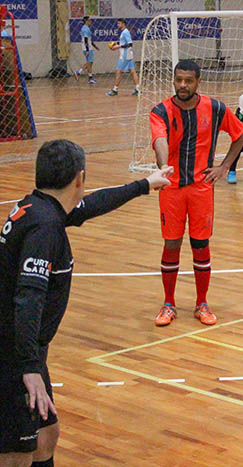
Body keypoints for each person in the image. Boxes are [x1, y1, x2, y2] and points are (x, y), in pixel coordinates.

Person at [0, 140, 171, 467]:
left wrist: (145, 185)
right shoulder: (45, 228)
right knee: (15, 455)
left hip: (25, 351)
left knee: (46, 435)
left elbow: (91, 205)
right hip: (13, 358)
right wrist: (30, 369)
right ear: (80, 178)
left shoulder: (39, 207)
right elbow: (28, 298)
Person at [150, 60, 243, 327]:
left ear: (198, 82)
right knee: (171, 243)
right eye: (179, 80)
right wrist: (164, 168)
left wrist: (224, 167)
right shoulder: (160, 111)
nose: (183, 85)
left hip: (201, 189)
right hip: (171, 189)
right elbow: (159, 140)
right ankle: (168, 303)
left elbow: (240, 134)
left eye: (188, 81)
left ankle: (202, 303)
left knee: (200, 245)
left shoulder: (215, 108)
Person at [106, 18, 139, 97]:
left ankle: (115, 90)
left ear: (123, 24)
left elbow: (130, 44)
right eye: (117, 23)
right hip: (129, 55)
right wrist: (115, 44)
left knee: (118, 72)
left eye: (119, 23)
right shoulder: (124, 32)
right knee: (132, 72)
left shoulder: (125, 32)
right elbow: (123, 42)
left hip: (125, 56)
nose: (118, 25)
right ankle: (138, 89)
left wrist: (118, 46)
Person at [74, 16, 98, 84]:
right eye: (89, 20)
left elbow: (89, 39)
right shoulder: (85, 29)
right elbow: (85, 40)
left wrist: (94, 46)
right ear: (86, 21)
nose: (91, 22)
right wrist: (87, 50)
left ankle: (90, 77)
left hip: (89, 47)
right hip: (88, 48)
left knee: (90, 63)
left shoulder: (86, 28)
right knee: (89, 63)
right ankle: (78, 72)